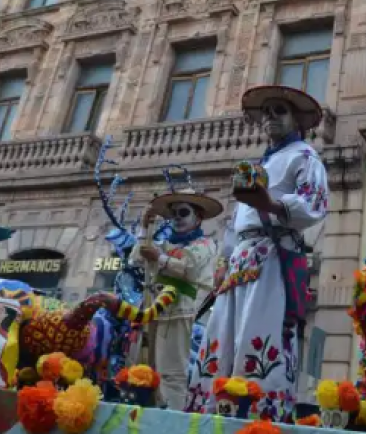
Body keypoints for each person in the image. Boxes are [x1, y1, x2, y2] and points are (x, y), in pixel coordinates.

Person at [186, 85, 329, 422]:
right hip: (241, 261)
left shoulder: (305, 157)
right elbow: (238, 221)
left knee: (261, 331)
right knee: (224, 332)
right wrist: (225, 259)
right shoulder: (259, 164)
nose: (270, 118)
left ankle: (257, 414)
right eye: (267, 112)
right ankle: (214, 407)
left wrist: (271, 204)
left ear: (297, 120)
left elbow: (316, 204)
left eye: (279, 111)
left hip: (273, 258)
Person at [129, 185, 222, 411]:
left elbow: (188, 269)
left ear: (198, 217)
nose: (177, 219)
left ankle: (171, 421)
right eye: (174, 214)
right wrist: (145, 227)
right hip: (150, 310)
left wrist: (160, 258)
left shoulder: (206, 245)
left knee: (171, 371)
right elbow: (136, 258)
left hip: (178, 312)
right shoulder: (165, 243)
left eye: (183, 213)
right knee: (142, 368)